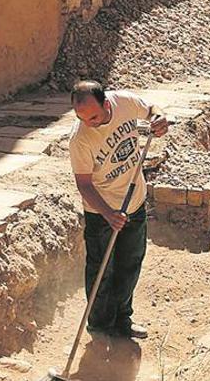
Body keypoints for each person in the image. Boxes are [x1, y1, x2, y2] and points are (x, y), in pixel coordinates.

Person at [69, 80, 169, 339]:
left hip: (134, 201)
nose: (89, 122)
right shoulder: (80, 139)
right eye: (82, 118)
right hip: (101, 212)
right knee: (102, 271)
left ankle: (123, 320)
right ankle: (100, 329)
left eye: (93, 116)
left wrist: (159, 119)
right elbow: (84, 185)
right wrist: (108, 214)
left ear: (106, 103)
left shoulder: (124, 101)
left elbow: (151, 111)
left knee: (129, 264)